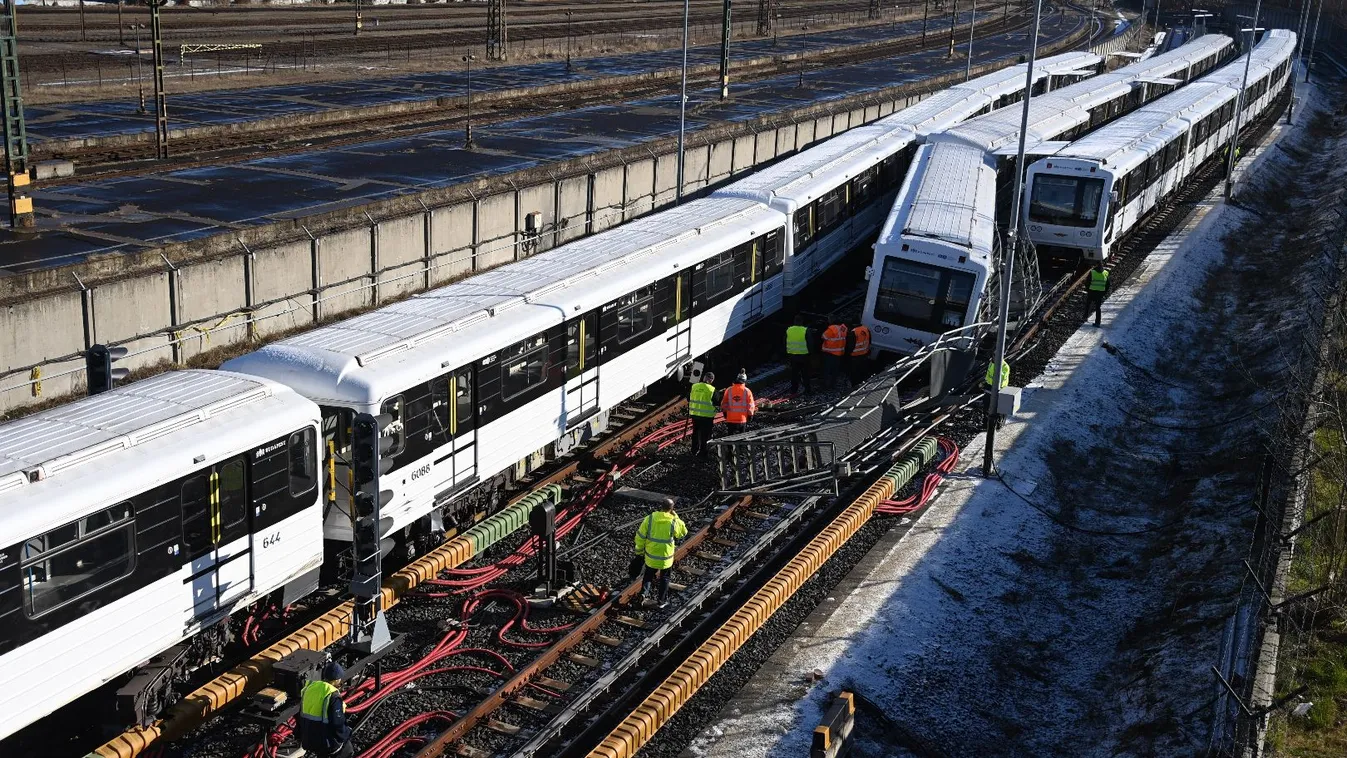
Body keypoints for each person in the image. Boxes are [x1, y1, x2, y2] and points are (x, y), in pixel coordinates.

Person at [634, 500, 688, 608]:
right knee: (665, 578)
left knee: (648, 575)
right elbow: (683, 533)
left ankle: (643, 594)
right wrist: (676, 517)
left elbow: (640, 536)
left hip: (651, 556)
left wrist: (639, 551)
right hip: (665, 558)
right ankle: (661, 601)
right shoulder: (673, 521)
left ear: (661, 507)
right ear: (672, 508)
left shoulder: (649, 519)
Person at [298, 660, 352, 758]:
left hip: (308, 738)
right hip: (325, 742)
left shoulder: (310, 687)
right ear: (337, 679)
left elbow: (299, 713)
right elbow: (337, 723)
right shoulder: (332, 695)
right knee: (347, 751)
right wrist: (346, 734)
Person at [688, 371, 717, 457]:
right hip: (707, 417)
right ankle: (703, 452)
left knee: (695, 433)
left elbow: (688, 398)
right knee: (705, 435)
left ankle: (694, 450)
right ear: (711, 380)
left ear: (704, 378)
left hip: (695, 415)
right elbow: (716, 401)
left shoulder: (694, 386)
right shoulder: (712, 389)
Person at [721, 370, 757, 435]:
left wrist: (725, 413)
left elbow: (724, 403)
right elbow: (751, 405)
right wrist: (750, 415)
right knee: (741, 438)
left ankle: (730, 445)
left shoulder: (729, 389)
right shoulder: (747, 391)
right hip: (742, 419)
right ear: (745, 381)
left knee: (729, 439)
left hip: (730, 419)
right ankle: (741, 445)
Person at [785, 316, 812, 394]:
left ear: (794, 321)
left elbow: (784, 342)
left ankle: (794, 390)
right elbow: (810, 344)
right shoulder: (806, 330)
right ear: (802, 322)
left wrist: (787, 354)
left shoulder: (789, 330)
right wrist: (810, 354)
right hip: (804, 356)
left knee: (794, 373)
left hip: (792, 356)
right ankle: (807, 390)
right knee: (805, 374)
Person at [820, 322, 848, 389]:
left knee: (827, 370)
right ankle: (833, 385)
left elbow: (823, 336)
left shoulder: (831, 329)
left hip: (830, 353)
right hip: (839, 354)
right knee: (835, 370)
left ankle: (825, 385)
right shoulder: (843, 328)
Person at [1085, 261, 1109, 327]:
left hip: (1092, 291)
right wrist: (1104, 292)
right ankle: (1097, 322)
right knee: (1098, 307)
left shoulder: (1092, 272)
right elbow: (1108, 285)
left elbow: (1087, 282)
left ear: (1096, 265)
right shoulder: (1105, 273)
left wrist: (1088, 290)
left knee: (1088, 304)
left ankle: (1085, 317)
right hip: (1100, 293)